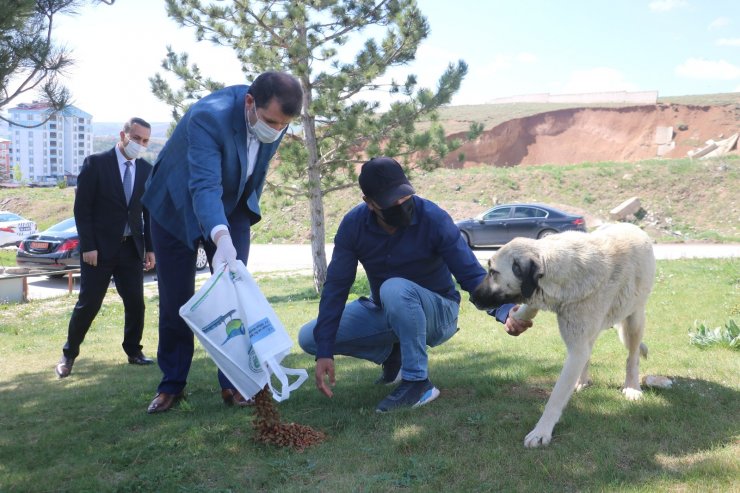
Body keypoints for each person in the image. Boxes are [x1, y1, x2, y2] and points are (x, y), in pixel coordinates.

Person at [298, 157, 532, 412]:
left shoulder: (433, 218)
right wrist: (324, 352)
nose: (401, 205)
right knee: (311, 337)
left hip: (439, 313)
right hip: (388, 309)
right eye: (391, 202)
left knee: (393, 288)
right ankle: (394, 357)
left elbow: (471, 274)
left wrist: (503, 311)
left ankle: (418, 382)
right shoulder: (353, 225)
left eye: (405, 197)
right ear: (370, 203)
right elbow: (336, 287)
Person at [141, 71, 303, 414]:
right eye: (271, 121)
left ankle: (235, 382)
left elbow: (253, 170)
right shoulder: (208, 117)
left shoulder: (276, 121)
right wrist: (220, 235)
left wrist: (234, 226)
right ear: (249, 103)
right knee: (176, 299)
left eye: (283, 125)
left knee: (236, 294)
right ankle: (172, 383)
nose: (276, 130)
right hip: (174, 204)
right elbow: (203, 187)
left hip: (233, 205)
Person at [55, 117, 156, 379]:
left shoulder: (145, 169)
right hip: (98, 251)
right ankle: (68, 355)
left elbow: (148, 212)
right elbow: (82, 209)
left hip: (130, 249)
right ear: (123, 135)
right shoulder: (96, 163)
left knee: (136, 304)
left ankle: (134, 351)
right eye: (136, 138)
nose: (140, 144)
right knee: (89, 304)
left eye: (145, 141)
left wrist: (150, 248)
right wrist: (88, 246)